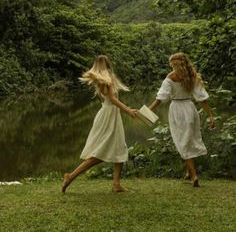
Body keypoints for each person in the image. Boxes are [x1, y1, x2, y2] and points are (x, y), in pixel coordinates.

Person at [62, 55, 138, 194]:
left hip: (109, 115)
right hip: (109, 116)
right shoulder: (106, 80)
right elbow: (113, 99)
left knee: (120, 148)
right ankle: (71, 176)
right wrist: (128, 110)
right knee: (99, 154)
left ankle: (116, 184)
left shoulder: (104, 79)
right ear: (108, 64)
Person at [149, 52, 215, 187]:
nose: (173, 67)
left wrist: (149, 110)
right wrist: (210, 116)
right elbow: (202, 99)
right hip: (190, 109)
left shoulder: (170, 77)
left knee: (182, 142)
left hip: (177, 110)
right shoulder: (192, 76)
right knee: (189, 139)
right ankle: (188, 171)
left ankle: (194, 175)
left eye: (173, 65)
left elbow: (161, 98)